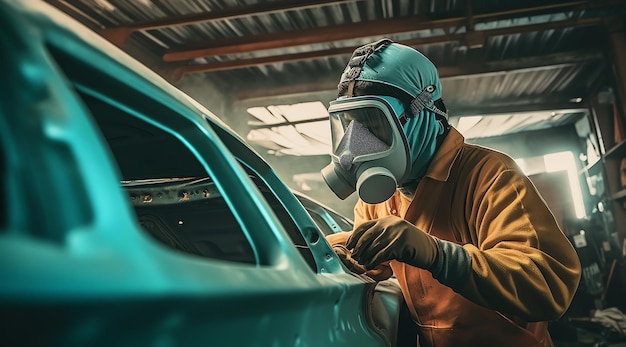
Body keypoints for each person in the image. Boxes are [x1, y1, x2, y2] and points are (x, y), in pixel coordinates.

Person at [321, 38, 582, 347]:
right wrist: (335, 254)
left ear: (422, 112)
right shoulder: (380, 196)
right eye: (353, 126)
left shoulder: (489, 175)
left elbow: (548, 286)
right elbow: (373, 256)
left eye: (375, 125)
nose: (359, 145)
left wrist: (440, 255)